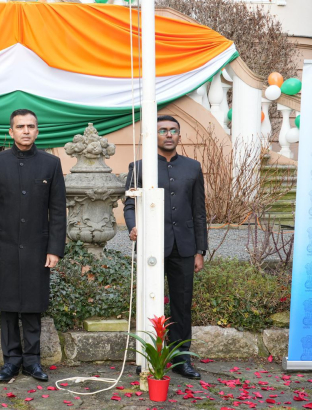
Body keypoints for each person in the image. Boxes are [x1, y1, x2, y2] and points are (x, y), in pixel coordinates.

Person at [0, 109, 67, 383]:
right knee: (7, 307)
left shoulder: (51, 164)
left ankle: (32, 361)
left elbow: (58, 211)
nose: (26, 130)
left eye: (30, 126)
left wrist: (54, 249)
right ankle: (11, 362)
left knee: (32, 305)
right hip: (2, 246)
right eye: (20, 126)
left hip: (37, 247)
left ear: (37, 131)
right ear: (11, 131)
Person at [123, 115, 208, 380]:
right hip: (151, 246)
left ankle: (182, 360)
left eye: (173, 130)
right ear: (154, 135)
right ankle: (146, 359)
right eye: (163, 130)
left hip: (184, 247)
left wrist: (200, 250)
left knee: (182, 305)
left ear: (179, 136)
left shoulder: (192, 168)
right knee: (149, 304)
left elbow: (199, 212)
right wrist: (133, 226)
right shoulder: (138, 167)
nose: (168, 134)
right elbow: (129, 206)